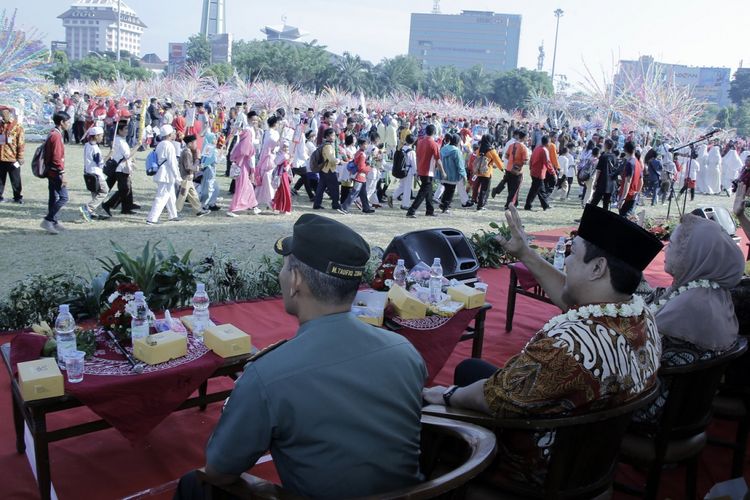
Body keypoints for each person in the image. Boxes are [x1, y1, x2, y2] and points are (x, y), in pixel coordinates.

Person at [175, 214, 426, 499]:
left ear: (295, 281)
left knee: (193, 484)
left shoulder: (267, 375)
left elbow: (220, 471)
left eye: (285, 268)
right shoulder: (403, 351)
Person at [423, 204, 663, 484]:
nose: (566, 260)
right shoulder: (640, 313)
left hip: (546, 463)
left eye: (573, 253)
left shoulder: (567, 346)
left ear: (597, 268)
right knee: (471, 369)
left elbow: (492, 398)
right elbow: (576, 301)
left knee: (433, 409)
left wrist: (448, 395)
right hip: (593, 450)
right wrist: (525, 253)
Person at [635, 214, 745, 424]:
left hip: (659, 413)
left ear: (696, 255)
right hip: (689, 408)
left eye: (675, 244)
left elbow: (640, 358)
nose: (666, 249)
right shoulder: (710, 293)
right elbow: (652, 298)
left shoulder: (690, 307)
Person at [41, 111, 71, 234]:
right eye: (67, 122)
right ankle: (48, 220)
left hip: (51, 170)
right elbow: (57, 157)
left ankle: (54, 221)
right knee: (64, 197)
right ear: (61, 122)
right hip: (55, 171)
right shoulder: (56, 136)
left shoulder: (54, 133)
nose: (69, 124)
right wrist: (62, 174)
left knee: (53, 197)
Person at [146, 125, 182, 225]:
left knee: (171, 196)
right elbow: (173, 163)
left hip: (162, 173)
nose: (175, 134)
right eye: (173, 133)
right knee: (162, 197)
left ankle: (173, 215)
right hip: (166, 175)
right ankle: (152, 218)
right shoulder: (169, 145)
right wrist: (178, 177)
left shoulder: (160, 144)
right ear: (170, 134)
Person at [226, 114, 261, 217]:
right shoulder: (247, 137)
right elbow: (249, 155)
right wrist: (253, 170)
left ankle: (253, 206)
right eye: (253, 120)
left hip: (243, 166)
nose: (255, 122)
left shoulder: (246, 136)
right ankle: (232, 209)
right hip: (243, 167)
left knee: (247, 186)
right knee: (242, 187)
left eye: (256, 120)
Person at [406, 124, 444, 218]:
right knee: (423, 192)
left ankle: (429, 210)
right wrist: (443, 171)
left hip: (421, 168)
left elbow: (418, 156)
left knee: (429, 190)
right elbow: (438, 159)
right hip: (428, 170)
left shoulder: (420, 142)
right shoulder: (433, 144)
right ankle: (411, 210)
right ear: (434, 132)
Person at [102, 121, 138, 216]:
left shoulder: (120, 140)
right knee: (124, 189)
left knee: (127, 187)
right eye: (125, 129)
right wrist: (137, 146)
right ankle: (109, 204)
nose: (127, 131)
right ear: (119, 130)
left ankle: (127, 207)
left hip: (123, 167)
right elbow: (127, 155)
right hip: (120, 168)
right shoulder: (119, 141)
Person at [79, 126, 110, 221]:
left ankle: (93, 213)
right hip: (96, 173)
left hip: (88, 171)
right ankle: (88, 208)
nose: (102, 138)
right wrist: (110, 155)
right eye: (101, 136)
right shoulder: (95, 148)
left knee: (95, 193)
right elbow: (100, 163)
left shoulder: (87, 145)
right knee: (104, 191)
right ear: (96, 136)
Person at [176, 135, 209, 218]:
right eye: (195, 143)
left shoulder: (188, 151)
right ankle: (175, 211)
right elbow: (188, 167)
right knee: (182, 196)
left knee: (193, 195)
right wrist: (197, 164)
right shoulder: (187, 152)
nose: (196, 145)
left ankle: (199, 210)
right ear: (190, 143)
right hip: (186, 178)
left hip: (188, 178)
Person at [255, 115, 281, 211]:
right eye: (278, 123)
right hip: (270, 159)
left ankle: (256, 202)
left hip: (264, 158)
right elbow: (274, 146)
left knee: (263, 182)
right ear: (275, 123)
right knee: (268, 181)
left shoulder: (266, 132)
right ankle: (270, 201)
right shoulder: (273, 133)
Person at [437, 133, 467, 213]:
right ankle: (445, 207)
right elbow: (460, 164)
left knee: (446, 190)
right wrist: (463, 175)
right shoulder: (456, 151)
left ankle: (443, 204)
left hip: (444, 174)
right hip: (453, 175)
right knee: (450, 192)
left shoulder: (443, 149)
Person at [0, 106, 25, 204]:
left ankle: (17, 197)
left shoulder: (17, 126)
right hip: (1, 158)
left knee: (15, 179)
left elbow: (21, 143)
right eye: (1, 114)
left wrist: (20, 157)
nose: (2, 116)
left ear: (9, 113)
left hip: (13, 159)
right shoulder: (0, 126)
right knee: (0, 179)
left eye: (4, 114)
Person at [313, 128, 341, 211]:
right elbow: (331, 159)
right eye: (332, 135)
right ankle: (335, 204)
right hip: (328, 170)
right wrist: (339, 161)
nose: (334, 137)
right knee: (335, 188)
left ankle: (317, 204)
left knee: (321, 188)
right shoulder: (328, 146)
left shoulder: (325, 145)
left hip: (324, 169)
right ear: (328, 136)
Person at [524, 135, 554, 211]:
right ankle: (528, 205)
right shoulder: (544, 150)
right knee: (535, 190)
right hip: (539, 173)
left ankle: (545, 205)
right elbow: (548, 163)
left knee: (539, 190)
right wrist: (553, 172)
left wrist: (530, 168)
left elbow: (531, 159)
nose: (550, 144)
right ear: (547, 143)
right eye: (550, 142)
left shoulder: (537, 148)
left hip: (534, 171)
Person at [589, 138, 617, 210]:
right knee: (606, 204)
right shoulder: (614, 157)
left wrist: (595, 182)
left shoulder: (603, 156)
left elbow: (598, 171)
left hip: (602, 183)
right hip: (611, 183)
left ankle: (586, 217)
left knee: (594, 202)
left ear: (606, 145)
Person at [618, 141, 642, 217]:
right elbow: (641, 181)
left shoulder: (629, 163)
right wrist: (637, 192)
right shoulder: (638, 163)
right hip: (633, 195)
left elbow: (628, 181)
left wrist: (623, 198)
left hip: (627, 196)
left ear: (625, 150)